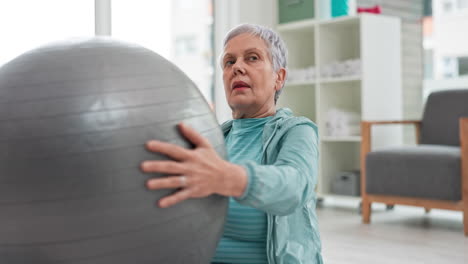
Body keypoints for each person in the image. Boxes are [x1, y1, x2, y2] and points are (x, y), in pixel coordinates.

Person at [141, 23, 323, 264]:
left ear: (278, 78)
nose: (238, 67)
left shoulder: (297, 131)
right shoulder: (213, 138)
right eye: (229, 62)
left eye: (252, 58)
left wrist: (227, 178)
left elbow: (294, 187)